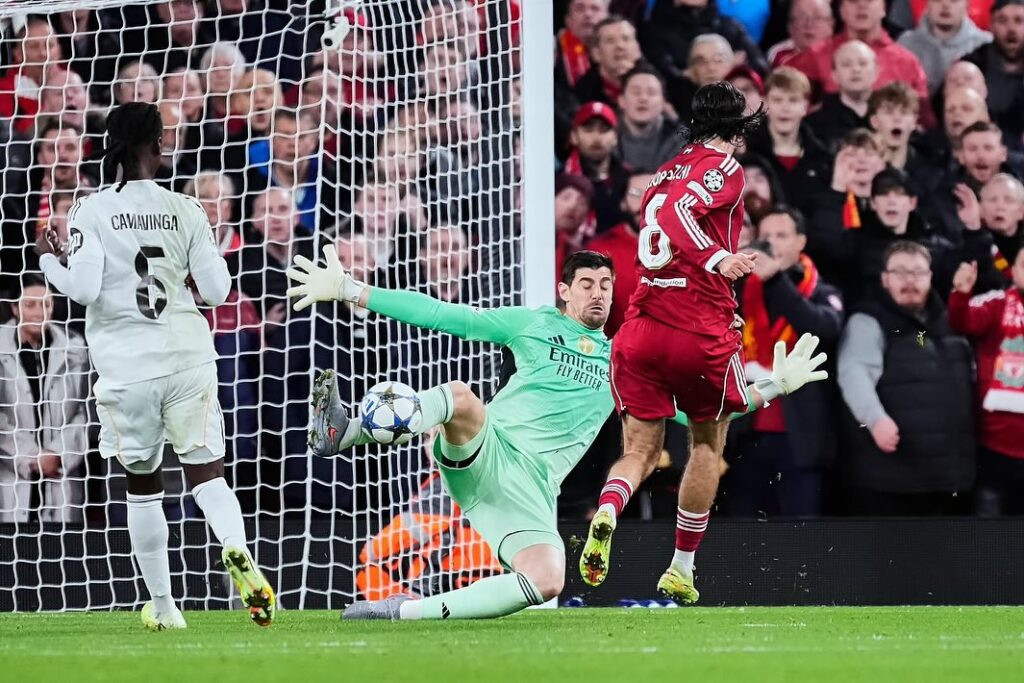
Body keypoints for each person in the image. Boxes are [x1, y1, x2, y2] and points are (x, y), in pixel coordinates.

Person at [285, 248, 828, 619]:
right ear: (564, 291)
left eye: (607, 285)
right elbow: (445, 314)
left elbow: (705, 410)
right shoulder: (534, 323)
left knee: (547, 580)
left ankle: (400, 611)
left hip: (531, 491)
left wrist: (775, 385)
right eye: (587, 284)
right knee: (461, 398)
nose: (598, 294)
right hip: (489, 449)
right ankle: (348, 430)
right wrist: (353, 290)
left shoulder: (626, 359)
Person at [34, 102, 274, 631]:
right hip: (189, 356)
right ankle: (236, 548)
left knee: (142, 486)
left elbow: (85, 289)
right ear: (159, 146)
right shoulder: (187, 209)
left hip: (127, 369)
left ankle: (166, 608)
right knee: (207, 474)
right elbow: (217, 292)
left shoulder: (91, 211)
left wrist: (48, 258)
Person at [581, 82, 812, 605]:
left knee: (639, 450)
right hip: (698, 327)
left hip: (639, 331)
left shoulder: (663, 172)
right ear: (739, 131)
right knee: (707, 443)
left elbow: (664, 211)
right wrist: (717, 260)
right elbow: (677, 216)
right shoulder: (724, 167)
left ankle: (609, 510)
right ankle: (681, 568)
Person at [837, 241, 975, 515]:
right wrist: (875, 419)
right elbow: (855, 373)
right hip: (892, 480)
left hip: (950, 478)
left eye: (918, 273)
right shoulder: (868, 320)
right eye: (900, 272)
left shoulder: (951, 320)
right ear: (885, 278)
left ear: (930, 277)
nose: (909, 280)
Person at [0, 274, 90, 523]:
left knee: (62, 552)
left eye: (46, 304)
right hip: (11, 474)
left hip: (60, 473)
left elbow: (85, 412)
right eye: (30, 305)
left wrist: (58, 454)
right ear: (14, 308)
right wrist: (30, 457)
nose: (39, 312)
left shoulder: (74, 347)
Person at [948, 255, 1024, 515]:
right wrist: (961, 293)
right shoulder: (997, 303)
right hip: (994, 448)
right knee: (988, 545)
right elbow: (961, 322)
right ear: (1013, 270)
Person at [898, 0, 992, 95]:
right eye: (937, 0)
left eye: (954, 0)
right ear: (927, 3)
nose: (945, 5)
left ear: (967, 5)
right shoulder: (906, 44)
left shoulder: (985, 44)